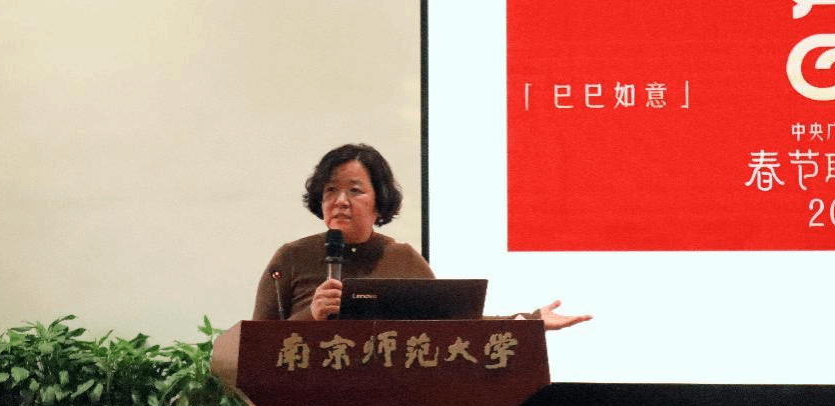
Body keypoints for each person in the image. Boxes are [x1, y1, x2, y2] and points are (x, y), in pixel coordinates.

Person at [252, 143, 592, 330]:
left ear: (379, 201)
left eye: (354, 190)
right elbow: (253, 348)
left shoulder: (400, 258)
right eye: (330, 190)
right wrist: (310, 316)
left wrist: (531, 322)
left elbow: (454, 324)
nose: (340, 201)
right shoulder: (291, 258)